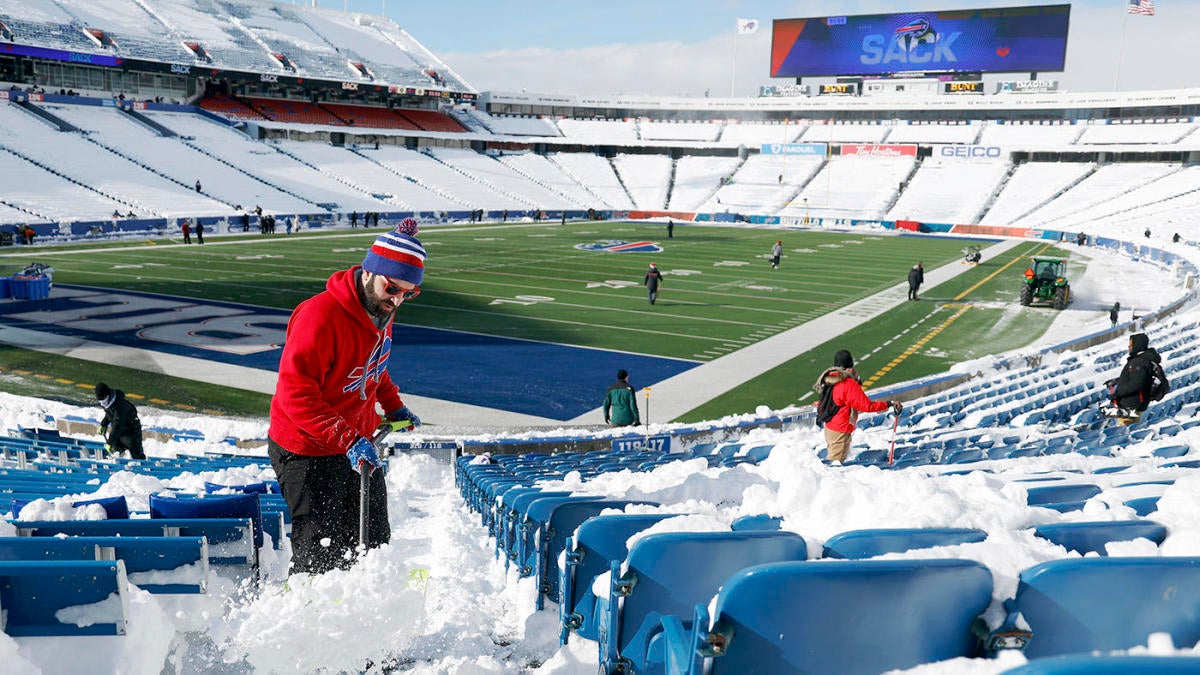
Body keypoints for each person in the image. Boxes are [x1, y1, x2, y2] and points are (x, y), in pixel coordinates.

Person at [268, 218, 426, 575]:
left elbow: (372, 367)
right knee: (320, 554)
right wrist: (348, 438)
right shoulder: (320, 316)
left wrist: (393, 403)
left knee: (373, 543)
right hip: (307, 449)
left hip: (354, 444)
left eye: (408, 293)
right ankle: (304, 619)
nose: (398, 299)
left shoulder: (380, 310)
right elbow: (296, 395)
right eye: (392, 288)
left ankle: (360, 614)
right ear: (370, 273)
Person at [813, 350, 901, 463]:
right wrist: (889, 403)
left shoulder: (831, 378)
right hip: (841, 430)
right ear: (850, 367)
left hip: (830, 427)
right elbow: (866, 405)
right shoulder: (847, 384)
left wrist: (855, 381)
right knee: (835, 464)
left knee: (833, 460)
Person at [1107, 332, 1166, 425]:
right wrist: (1117, 381)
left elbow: (1136, 384)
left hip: (1130, 405)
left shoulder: (1138, 362)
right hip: (1136, 403)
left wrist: (1118, 393)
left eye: (1131, 345)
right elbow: (1135, 377)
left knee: (1123, 431)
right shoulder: (1143, 359)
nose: (1129, 347)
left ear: (1137, 345)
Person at [95, 382, 145, 460]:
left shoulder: (120, 406)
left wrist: (110, 442)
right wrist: (103, 424)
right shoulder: (108, 403)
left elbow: (117, 424)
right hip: (120, 432)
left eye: (103, 400)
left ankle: (142, 469)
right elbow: (109, 414)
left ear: (107, 395)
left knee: (136, 454)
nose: (102, 403)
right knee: (117, 451)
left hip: (131, 431)